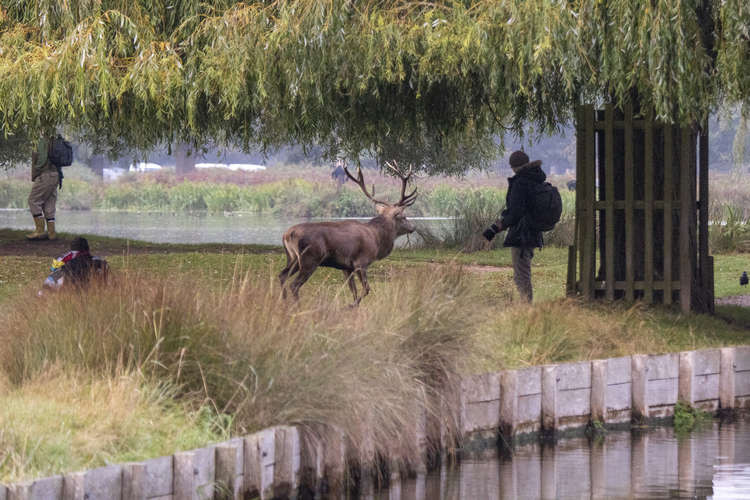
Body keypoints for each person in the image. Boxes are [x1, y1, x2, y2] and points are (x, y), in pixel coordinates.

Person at [483, 150, 546, 303]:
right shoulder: (537, 179)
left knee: (521, 274)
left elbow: (515, 213)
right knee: (524, 271)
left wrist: (494, 229)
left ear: (513, 167)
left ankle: (526, 308)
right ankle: (526, 305)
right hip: (534, 232)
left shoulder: (520, 183)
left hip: (521, 234)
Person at [26, 132, 59, 241]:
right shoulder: (56, 141)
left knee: (33, 201)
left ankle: (40, 231)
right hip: (56, 176)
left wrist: (37, 170)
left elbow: (41, 160)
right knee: (49, 203)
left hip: (46, 175)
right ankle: (51, 233)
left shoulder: (42, 142)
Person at [43, 237, 109, 290]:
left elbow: (53, 271)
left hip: (64, 285)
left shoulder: (62, 258)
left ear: (71, 248)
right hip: (89, 287)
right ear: (87, 248)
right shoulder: (98, 260)